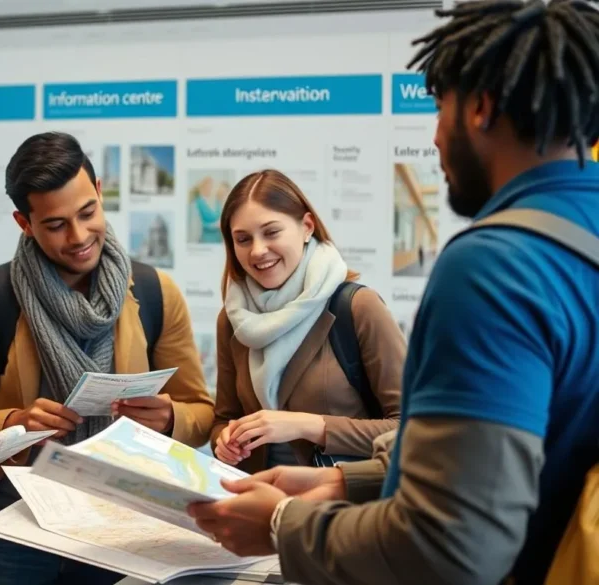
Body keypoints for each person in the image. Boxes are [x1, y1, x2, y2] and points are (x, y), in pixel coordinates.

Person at [187, 2, 599, 584]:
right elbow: (494, 460)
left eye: (439, 108)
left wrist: (282, 524)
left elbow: (452, 544)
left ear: (479, 109)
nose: (434, 136)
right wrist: (342, 481)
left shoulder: (493, 267)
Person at [0, 131, 215, 584]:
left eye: (88, 213)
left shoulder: (156, 292)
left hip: (122, 517)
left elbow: (201, 412)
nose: (79, 237)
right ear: (24, 223)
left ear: (99, 192)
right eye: (56, 225)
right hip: (13, 523)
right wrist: (13, 424)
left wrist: (169, 419)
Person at [212, 170, 404, 472]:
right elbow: (224, 419)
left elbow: (411, 429)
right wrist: (224, 441)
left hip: (342, 498)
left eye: (271, 232)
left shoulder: (358, 307)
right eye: (243, 239)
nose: (258, 250)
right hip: (255, 496)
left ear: (307, 227)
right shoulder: (233, 321)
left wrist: (309, 426)